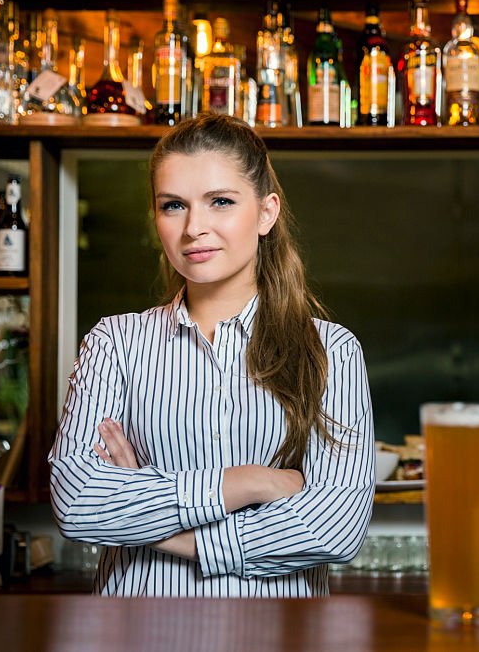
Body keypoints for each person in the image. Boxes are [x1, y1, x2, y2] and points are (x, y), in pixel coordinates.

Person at [48, 113, 376, 597]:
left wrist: (157, 521)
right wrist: (249, 483)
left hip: (282, 639)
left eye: (220, 201)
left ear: (266, 213)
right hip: (138, 634)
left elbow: (335, 527)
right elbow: (77, 502)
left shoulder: (332, 350)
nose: (193, 228)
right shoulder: (114, 342)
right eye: (173, 205)